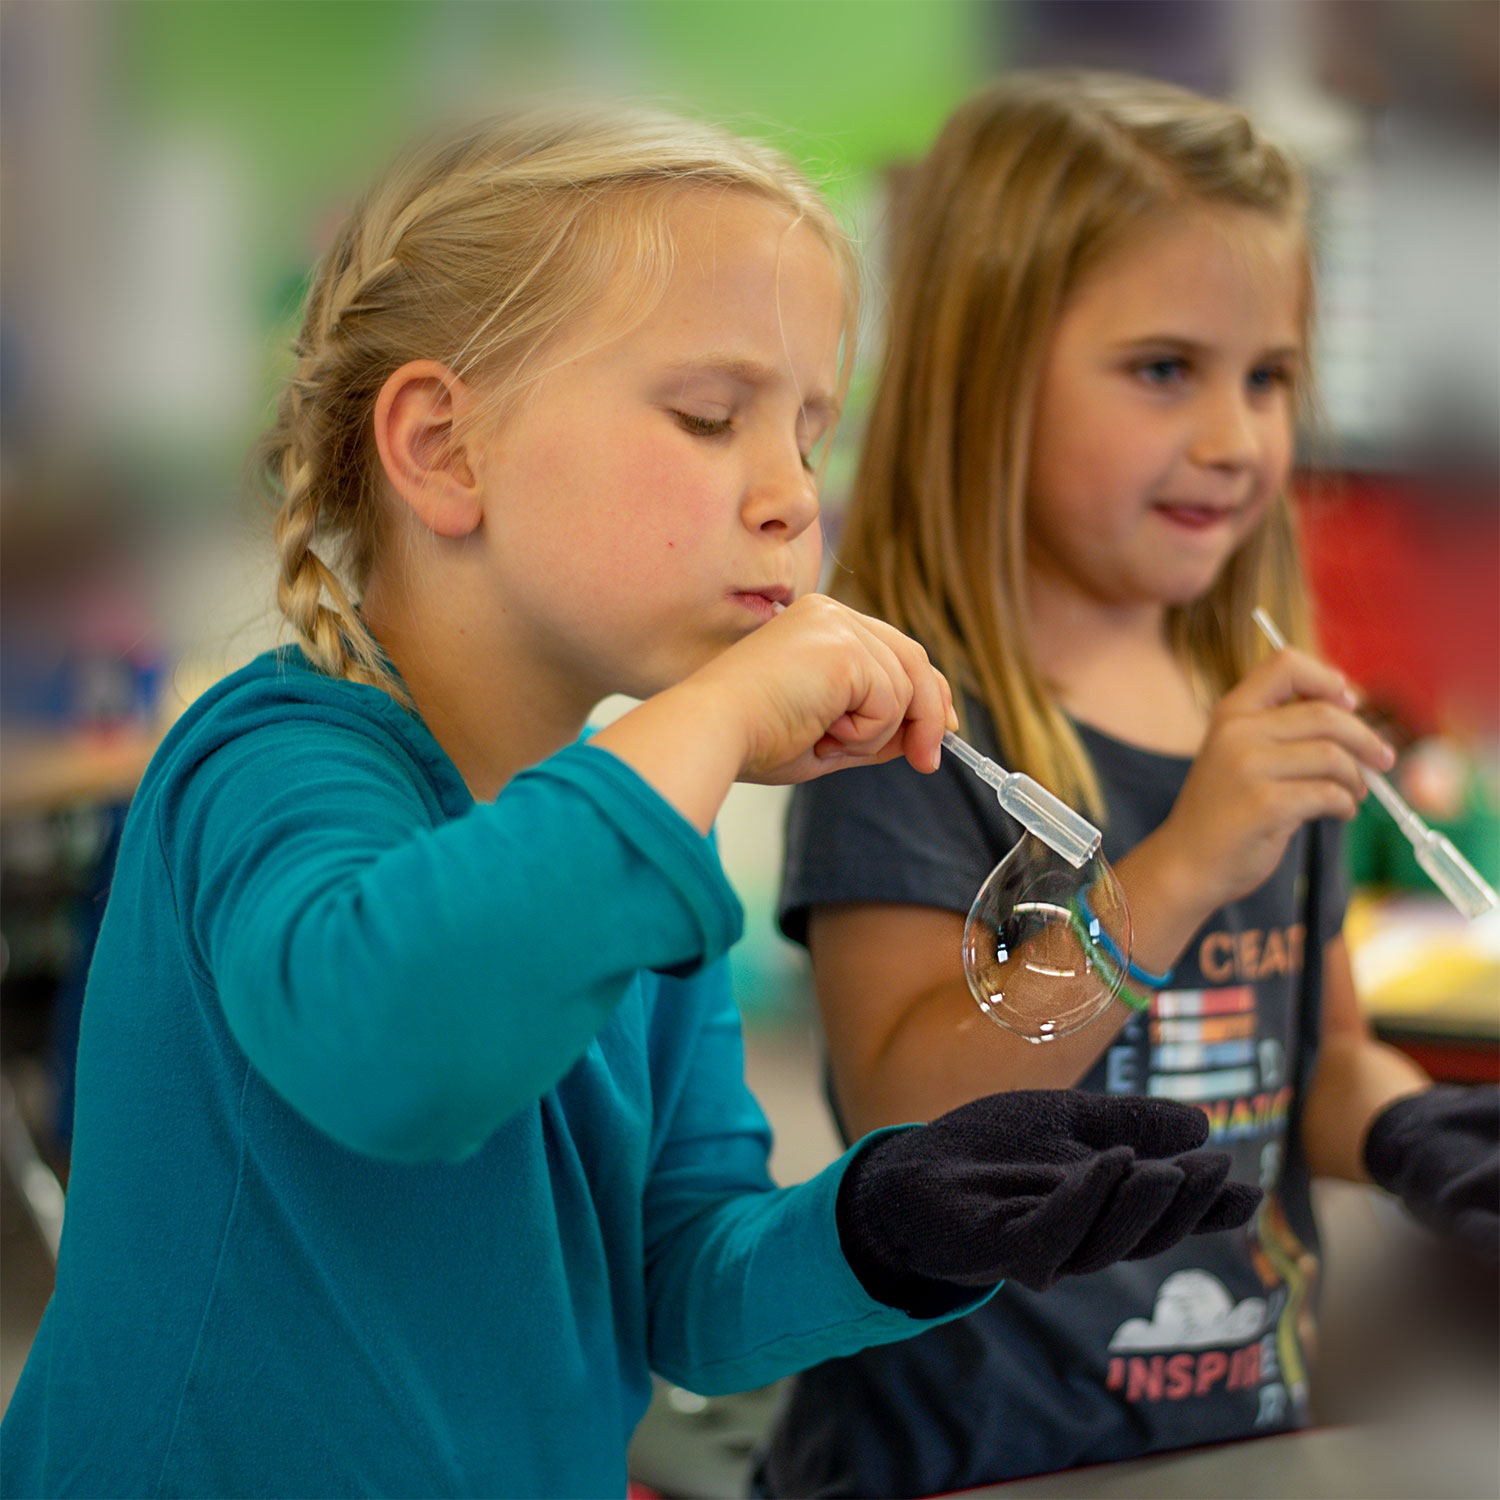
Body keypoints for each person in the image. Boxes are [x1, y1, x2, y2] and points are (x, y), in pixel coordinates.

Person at [0, 103, 1263, 1500]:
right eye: (710, 416)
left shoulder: (637, 849)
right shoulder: (272, 762)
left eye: (810, 431)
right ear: (444, 449)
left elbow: (684, 1292)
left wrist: (891, 1226)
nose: (794, 496)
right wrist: (710, 718)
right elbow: (395, 1051)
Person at [754, 70, 1500, 1497]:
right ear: (990, 386)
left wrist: (1414, 1131)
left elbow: (1319, 1056)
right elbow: (912, 1113)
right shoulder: (907, 727)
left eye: (1268, 376)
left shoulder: (1258, 708)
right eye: (1166, 369)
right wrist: (1180, 865)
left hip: (1235, 1440)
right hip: (963, 1464)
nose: (1236, 437)